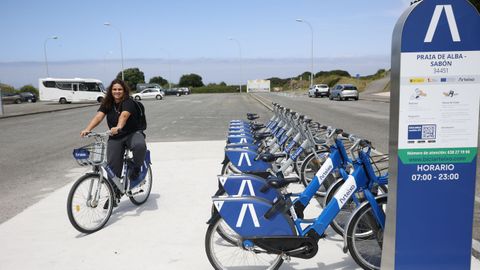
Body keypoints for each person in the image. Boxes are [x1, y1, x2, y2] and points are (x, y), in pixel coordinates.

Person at [80, 79, 147, 192]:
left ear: (124, 91)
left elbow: (124, 115)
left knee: (140, 146)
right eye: (114, 89)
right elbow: (99, 117)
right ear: (110, 91)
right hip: (115, 137)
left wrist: (119, 127)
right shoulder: (108, 103)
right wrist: (88, 129)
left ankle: (136, 168)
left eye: (120, 89)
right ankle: (114, 194)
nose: (117, 91)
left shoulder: (128, 102)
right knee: (112, 167)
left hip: (132, 133)